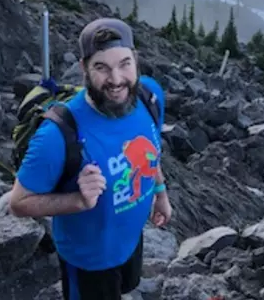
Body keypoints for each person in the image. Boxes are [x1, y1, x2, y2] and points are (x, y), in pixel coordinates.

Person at [9, 17, 172, 300]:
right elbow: (18, 203)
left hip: (130, 240)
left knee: (127, 286)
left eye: (124, 64)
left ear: (135, 60)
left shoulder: (149, 96)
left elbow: (152, 152)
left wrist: (160, 192)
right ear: (84, 68)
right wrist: (78, 201)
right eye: (102, 67)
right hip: (88, 259)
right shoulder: (58, 134)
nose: (117, 79)